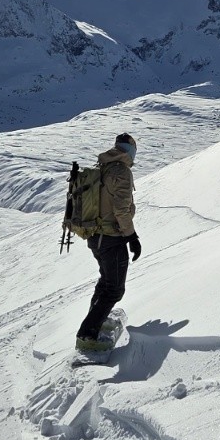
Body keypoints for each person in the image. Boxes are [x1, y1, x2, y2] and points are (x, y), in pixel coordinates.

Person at [76, 132, 142, 351]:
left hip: (95, 236)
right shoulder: (121, 172)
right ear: (130, 151)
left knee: (106, 281)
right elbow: (121, 209)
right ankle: (87, 334)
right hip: (111, 238)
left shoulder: (103, 166)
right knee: (114, 290)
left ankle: (96, 320)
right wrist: (131, 237)